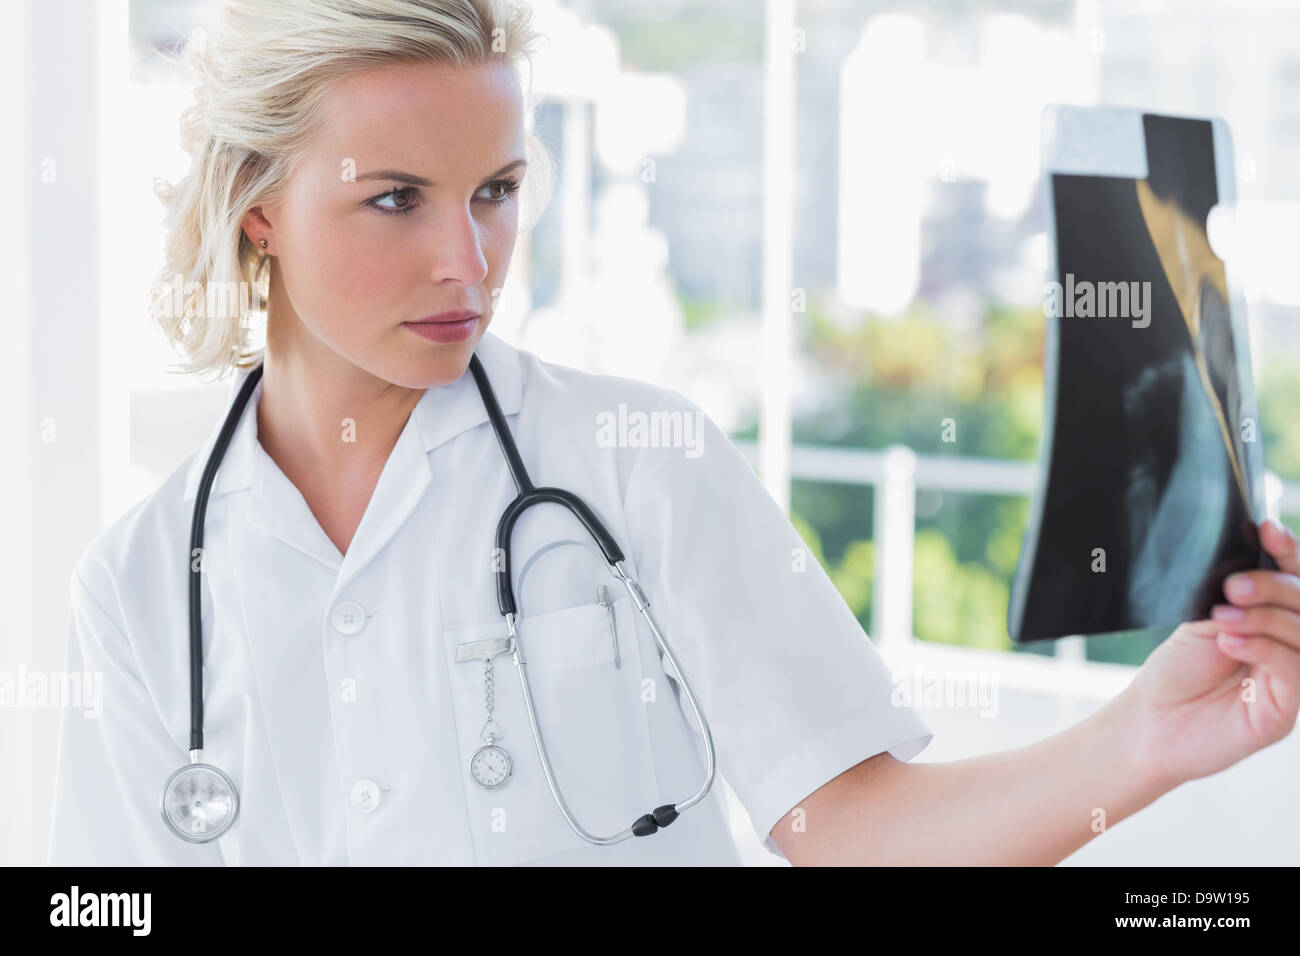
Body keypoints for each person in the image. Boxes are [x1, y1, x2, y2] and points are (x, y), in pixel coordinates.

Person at [47, 0, 1300, 867]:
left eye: (497, 191)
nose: (467, 261)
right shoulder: (145, 581)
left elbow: (850, 831)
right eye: (395, 200)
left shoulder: (638, 458)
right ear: (257, 206)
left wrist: (1143, 741)